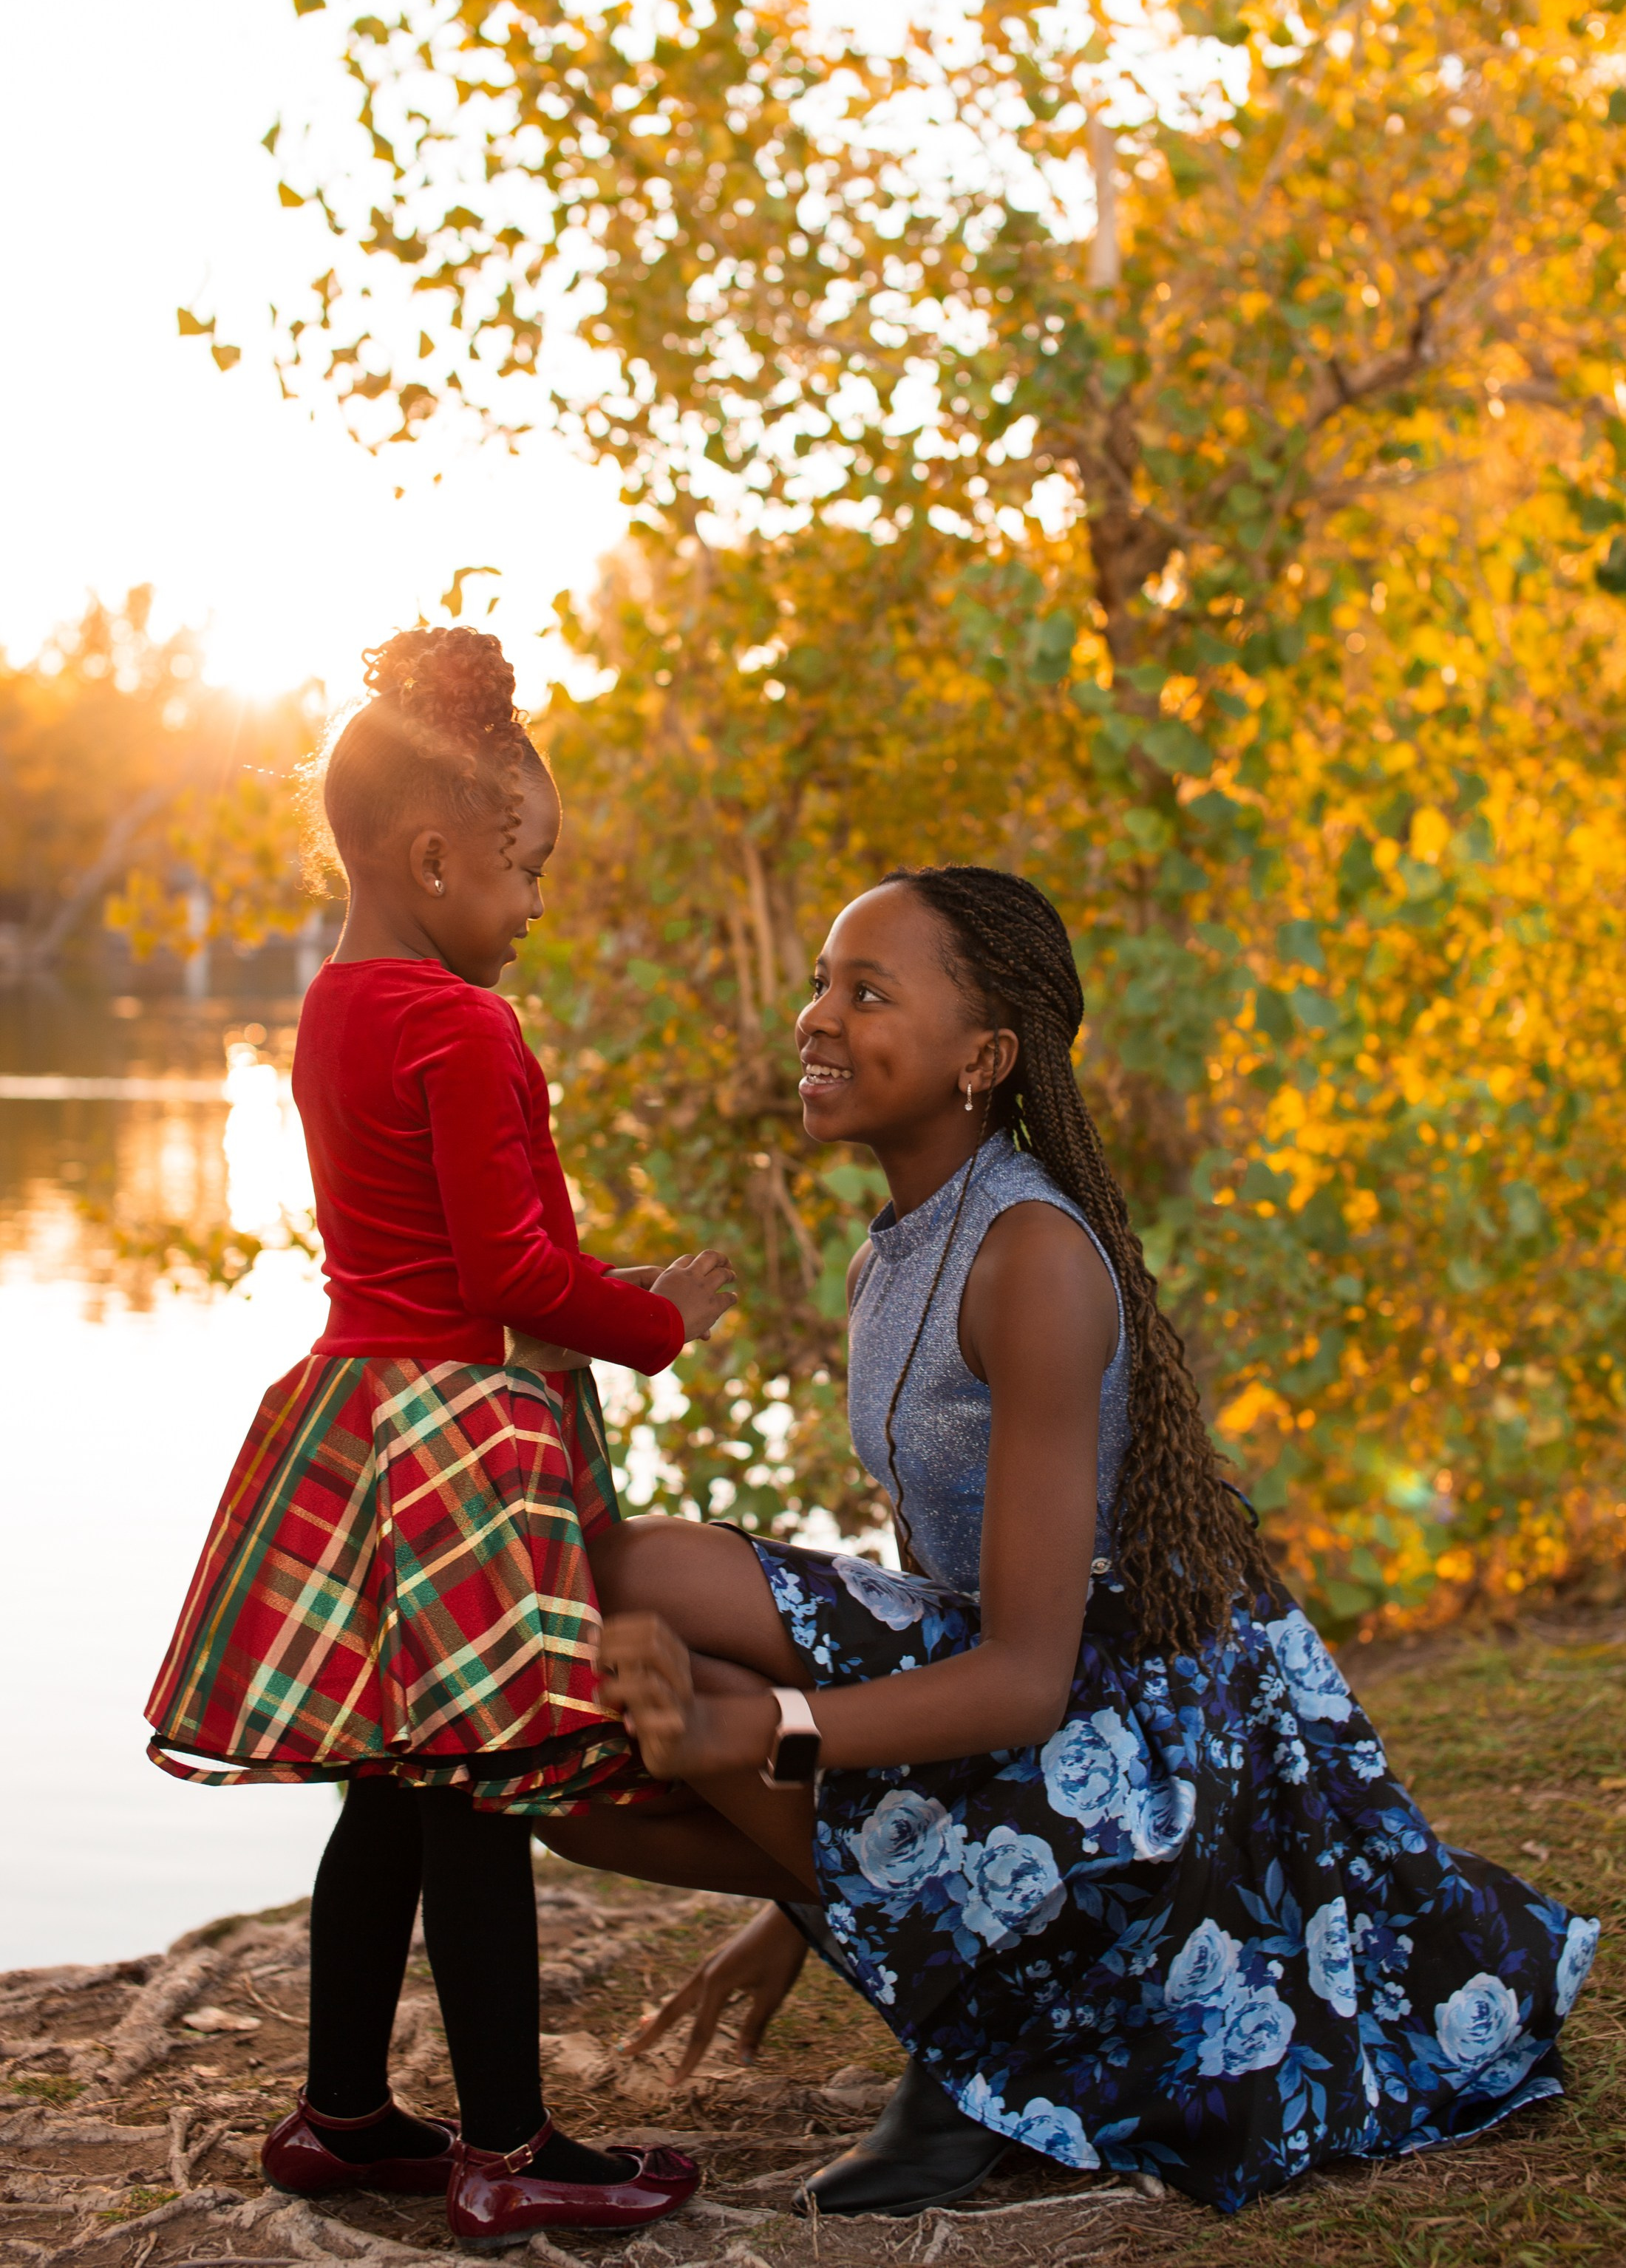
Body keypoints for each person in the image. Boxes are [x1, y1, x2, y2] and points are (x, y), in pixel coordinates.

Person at [541, 864, 1599, 2218]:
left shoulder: (1031, 1255)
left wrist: (757, 1738)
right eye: (819, 982)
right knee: (576, 1792)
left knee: (651, 1579)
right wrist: (794, 1904)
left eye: (868, 992)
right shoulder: (887, 1256)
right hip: (1033, 1705)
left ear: (984, 1058)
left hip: (1142, 1738)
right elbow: (927, 1604)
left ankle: (978, 2055)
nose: (816, 1017)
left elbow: (1024, 1679)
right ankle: (960, 1987)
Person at [145, 627, 733, 2246]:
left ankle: (341, 2119)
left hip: (354, 1418)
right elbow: (507, 1279)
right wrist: (660, 1320)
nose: (536, 903)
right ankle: (510, 2147)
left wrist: (598, 1289)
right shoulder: (467, 1027)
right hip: (460, 1438)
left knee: (389, 1791)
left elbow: (435, 1249)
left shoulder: (334, 1005)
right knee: (479, 1793)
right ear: (432, 858)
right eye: (524, 868)